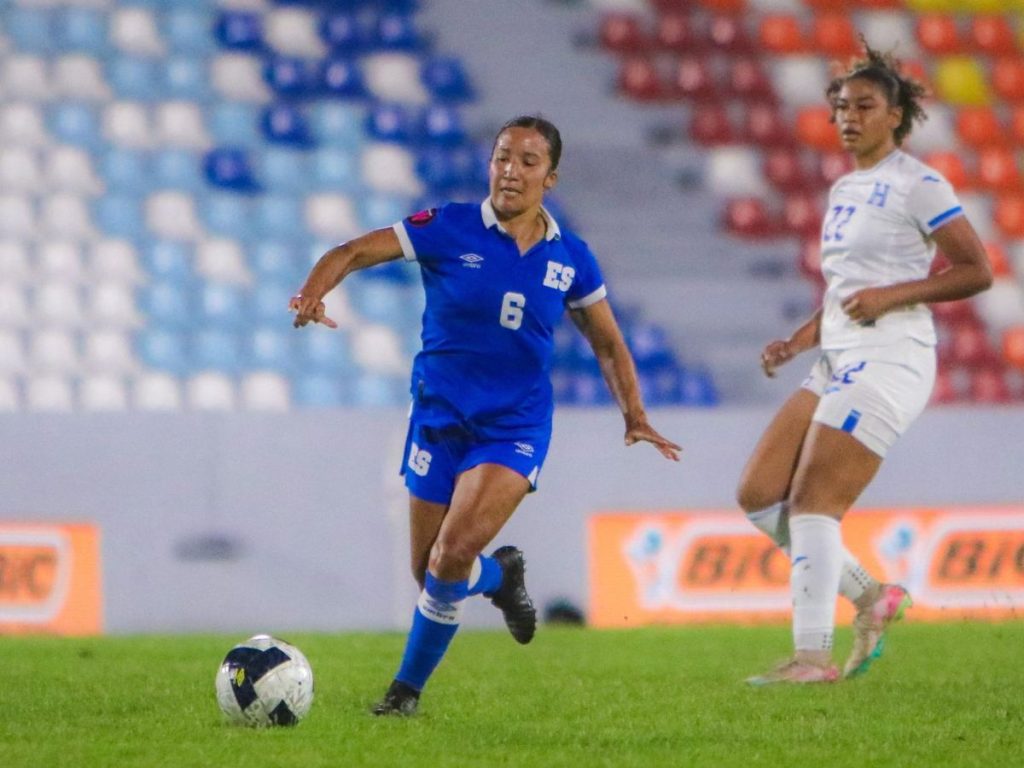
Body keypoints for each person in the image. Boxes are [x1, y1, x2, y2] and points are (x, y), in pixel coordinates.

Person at [290, 115, 681, 714]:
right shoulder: (447, 227)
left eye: (528, 161)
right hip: (439, 419)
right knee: (430, 576)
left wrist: (634, 413)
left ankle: (403, 695)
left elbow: (607, 342)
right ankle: (501, 577)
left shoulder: (570, 257)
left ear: (551, 177)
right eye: (502, 157)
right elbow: (352, 250)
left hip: (514, 427)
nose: (511, 171)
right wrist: (313, 291)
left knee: (449, 558)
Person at [736, 43, 993, 684]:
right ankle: (873, 597)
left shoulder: (920, 183)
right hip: (837, 352)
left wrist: (893, 296)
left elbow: (977, 271)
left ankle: (811, 658)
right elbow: (846, 288)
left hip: (891, 357)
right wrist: (798, 340)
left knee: (814, 503)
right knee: (758, 496)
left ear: (896, 113)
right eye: (841, 107)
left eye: (865, 106)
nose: (848, 117)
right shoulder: (846, 187)